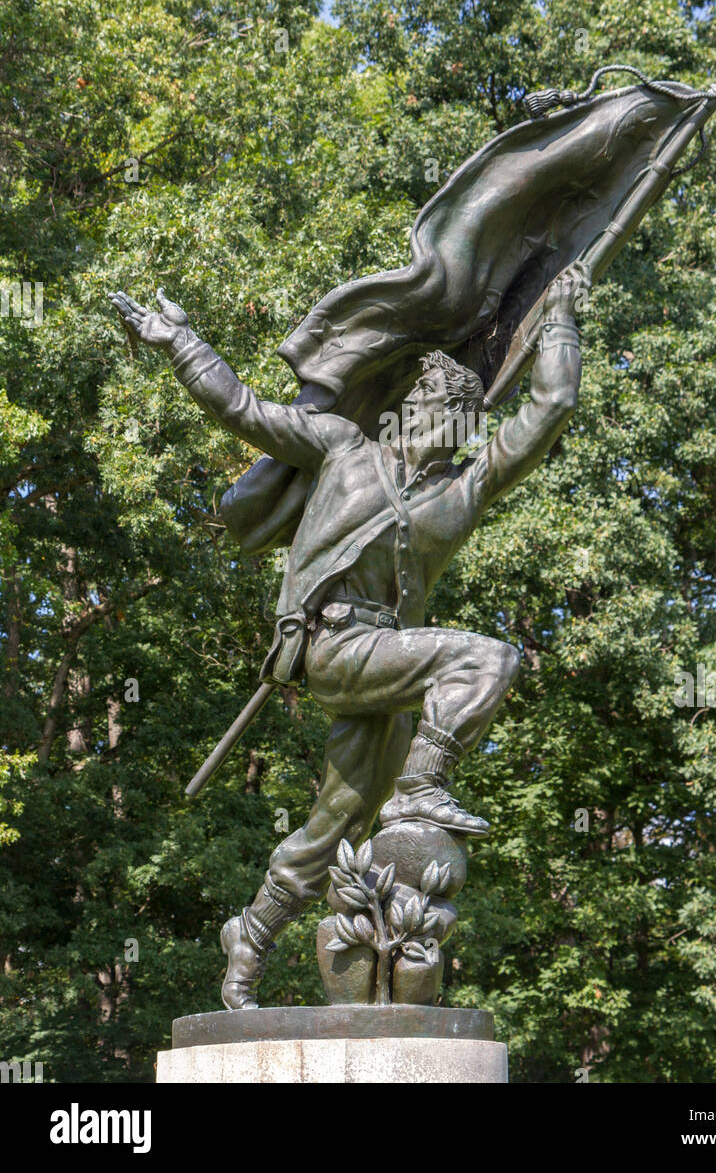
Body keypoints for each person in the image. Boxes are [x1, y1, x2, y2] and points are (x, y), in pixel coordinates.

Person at [109, 262, 587, 1008]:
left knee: (335, 825)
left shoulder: (462, 489)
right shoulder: (342, 450)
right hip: (333, 649)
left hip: (387, 676)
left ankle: (250, 937)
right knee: (487, 657)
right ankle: (424, 785)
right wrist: (179, 341)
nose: (445, 426)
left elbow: (551, 407)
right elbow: (241, 408)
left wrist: (558, 321)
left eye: (460, 419)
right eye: (435, 408)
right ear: (411, 405)